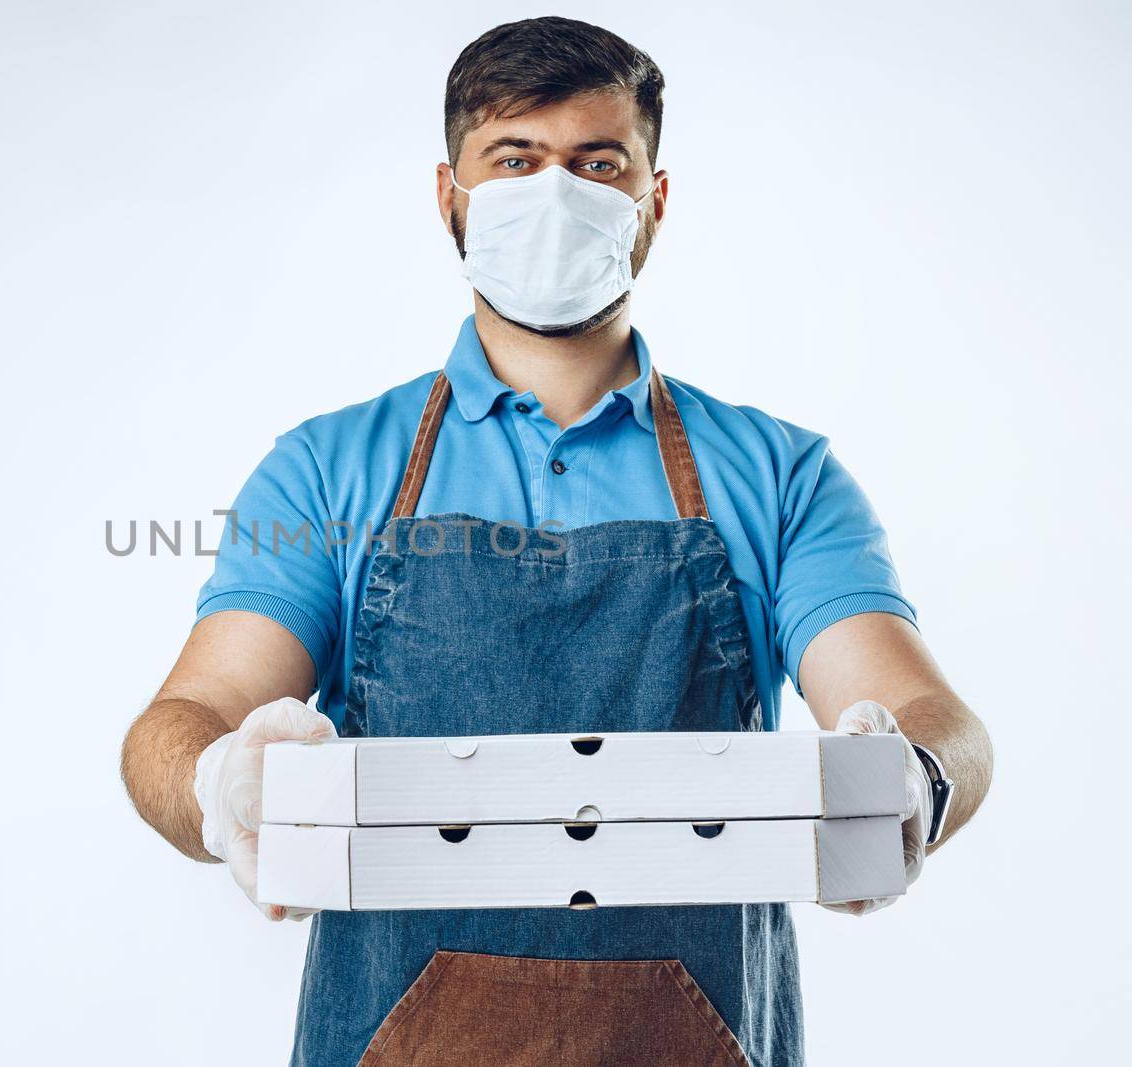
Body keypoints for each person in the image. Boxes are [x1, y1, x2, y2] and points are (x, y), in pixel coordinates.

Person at [120, 16, 993, 1066]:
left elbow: (930, 717)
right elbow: (183, 717)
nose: (554, 195)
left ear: (652, 202)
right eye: (515, 161)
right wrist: (219, 784)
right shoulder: (327, 470)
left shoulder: (779, 474)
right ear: (450, 196)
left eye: (597, 164)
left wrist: (914, 781)